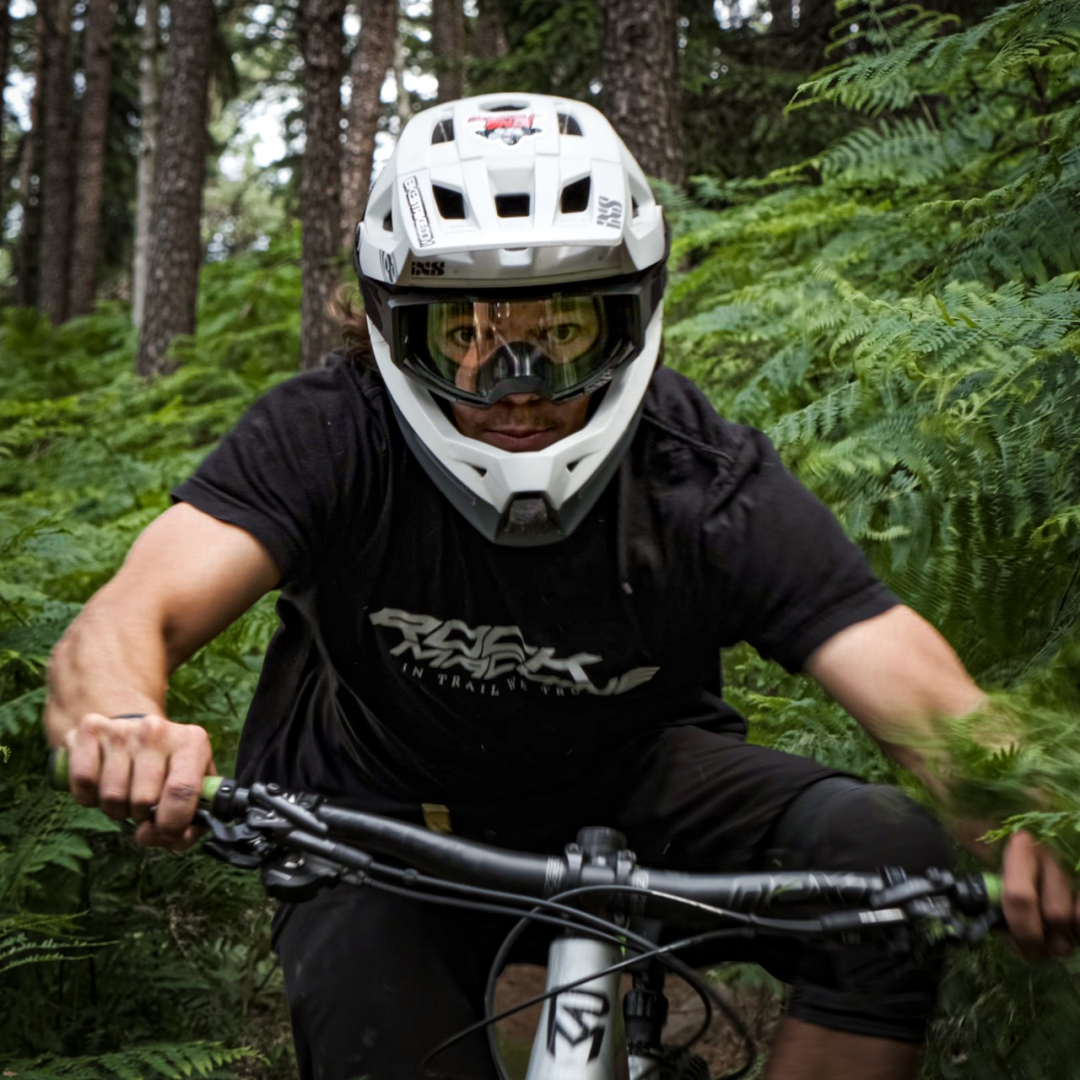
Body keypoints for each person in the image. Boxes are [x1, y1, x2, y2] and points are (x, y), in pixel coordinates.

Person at [44, 93, 1077, 1080]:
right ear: (394, 327)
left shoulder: (699, 477)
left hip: (639, 788)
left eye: (564, 331)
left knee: (884, 852)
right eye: (467, 336)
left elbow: (917, 693)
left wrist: (1035, 816)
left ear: (629, 320)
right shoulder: (327, 435)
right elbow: (133, 615)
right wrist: (126, 722)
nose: (519, 387)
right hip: (377, 818)